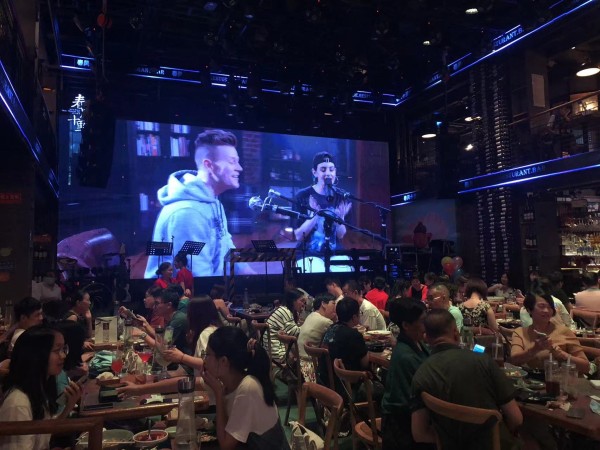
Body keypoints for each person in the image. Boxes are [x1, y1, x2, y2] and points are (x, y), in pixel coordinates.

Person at [411, 310, 523, 450]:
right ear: (456, 333)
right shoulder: (483, 361)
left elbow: (419, 434)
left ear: (426, 338)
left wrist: (450, 439)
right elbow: (516, 418)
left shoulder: (421, 374)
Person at [145, 129, 243, 278]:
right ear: (209, 165)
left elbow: (226, 247)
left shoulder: (213, 202)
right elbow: (197, 278)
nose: (239, 168)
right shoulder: (188, 213)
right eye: (232, 162)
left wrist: (252, 275)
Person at [202, 327, 290, 450]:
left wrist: (218, 393)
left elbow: (226, 445)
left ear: (223, 361)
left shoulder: (248, 387)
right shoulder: (230, 384)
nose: (204, 360)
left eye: (207, 355)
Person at [118, 296, 221, 400]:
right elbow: (163, 342)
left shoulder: (188, 325)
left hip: (200, 389)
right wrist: (146, 326)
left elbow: (164, 348)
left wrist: (181, 357)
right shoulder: (175, 320)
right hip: (189, 376)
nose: (155, 306)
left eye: (158, 303)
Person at [0, 326, 82, 450]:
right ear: (36, 355)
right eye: (57, 350)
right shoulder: (18, 404)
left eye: (64, 349)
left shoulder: (40, 389)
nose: (63, 356)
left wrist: (69, 405)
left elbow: (45, 431)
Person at [381, 298, 430, 450]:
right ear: (406, 325)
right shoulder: (406, 356)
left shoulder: (416, 342)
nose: (426, 325)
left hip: (410, 416)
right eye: (422, 321)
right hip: (401, 426)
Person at [510, 292, 589, 374]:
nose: (546, 310)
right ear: (529, 310)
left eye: (550, 307)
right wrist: (535, 349)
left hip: (562, 378)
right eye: (542, 306)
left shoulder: (564, 331)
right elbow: (514, 360)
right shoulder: (520, 332)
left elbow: (585, 367)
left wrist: (560, 353)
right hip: (533, 379)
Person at [293, 152, 352, 255]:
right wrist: (314, 216)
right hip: (308, 252)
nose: (328, 173)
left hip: (333, 251)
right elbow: (298, 236)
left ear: (335, 172)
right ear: (314, 172)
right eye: (323, 170)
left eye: (331, 169)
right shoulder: (302, 196)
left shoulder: (342, 197)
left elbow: (341, 235)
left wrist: (340, 219)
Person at [297, 293, 336, 382]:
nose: (335, 308)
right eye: (333, 303)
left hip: (299, 362)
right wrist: (335, 319)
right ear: (323, 304)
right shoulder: (326, 322)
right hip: (311, 366)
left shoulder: (312, 315)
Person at [264, 289, 305, 362]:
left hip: (269, 351)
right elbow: (294, 333)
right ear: (293, 301)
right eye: (301, 301)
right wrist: (307, 325)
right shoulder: (285, 311)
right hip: (277, 353)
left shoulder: (283, 309)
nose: (303, 304)